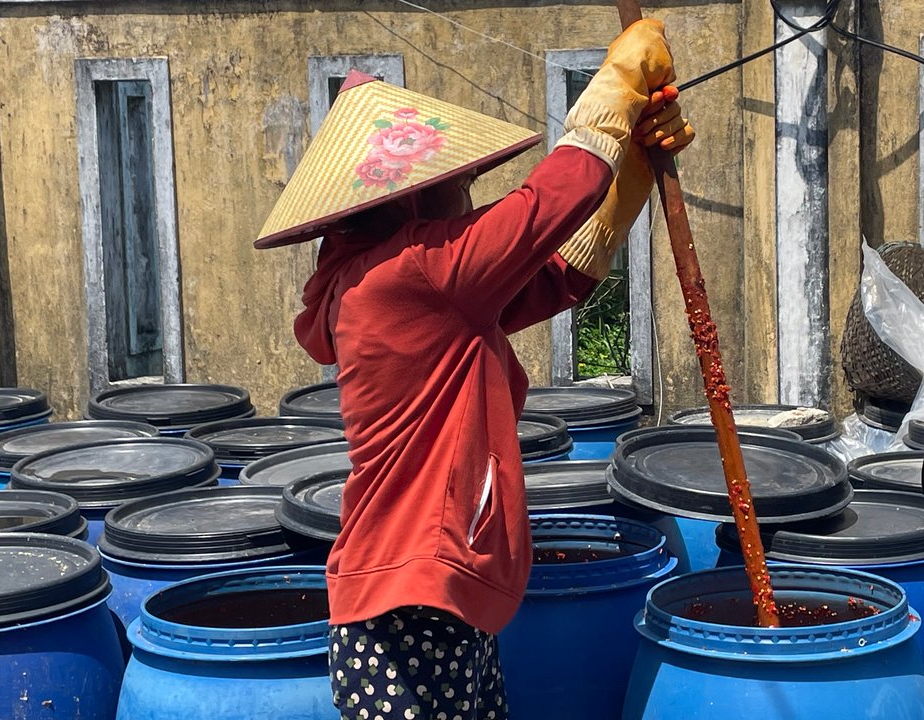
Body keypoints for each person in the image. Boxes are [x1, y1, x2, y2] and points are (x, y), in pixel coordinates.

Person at [254, 19, 694, 720]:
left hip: (432, 594)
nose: (466, 196)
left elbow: (557, 277)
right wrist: (617, 81)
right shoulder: (412, 275)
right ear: (418, 200)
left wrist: (634, 168)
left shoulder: (412, 288)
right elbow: (549, 200)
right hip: (409, 603)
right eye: (457, 183)